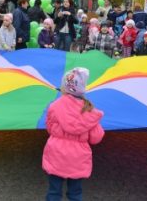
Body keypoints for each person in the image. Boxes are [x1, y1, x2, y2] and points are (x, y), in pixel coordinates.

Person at [42, 67, 104, 201]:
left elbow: (49, 127)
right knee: (75, 193)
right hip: (78, 157)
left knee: (54, 192)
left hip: (56, 154)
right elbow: (96, 138)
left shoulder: (54, 106)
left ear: (64, 87)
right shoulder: (89, 110)